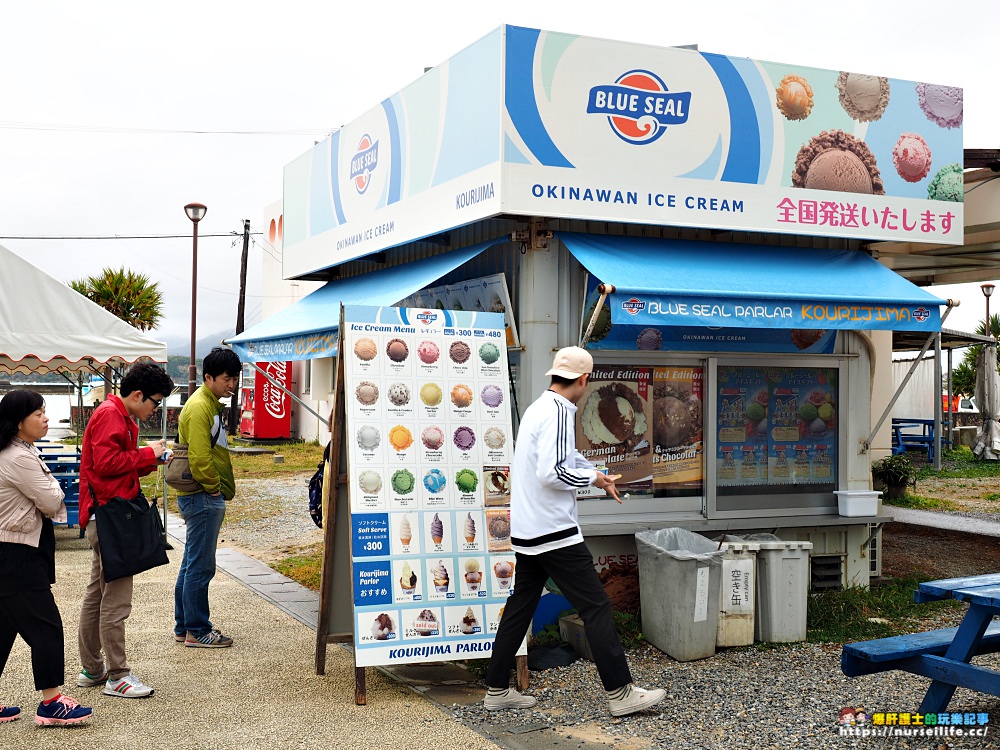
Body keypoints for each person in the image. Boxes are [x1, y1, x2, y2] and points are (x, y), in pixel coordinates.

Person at [483, 347, 666, 717]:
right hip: (553, 531)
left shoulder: (540, 407)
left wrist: (596, 475)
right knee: (596, 606)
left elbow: (564, 459)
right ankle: (620, 692)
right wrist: (593, 479)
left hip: (528, 528)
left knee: (520, 607)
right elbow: (553, 472)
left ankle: (497, 690)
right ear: (584, 380)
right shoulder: (560, 412)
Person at [77, 363, 173, 699]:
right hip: (110, 517)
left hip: (102, 515)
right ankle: (117, 674)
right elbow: (106, 464)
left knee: (97, 593)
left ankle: (92, 667)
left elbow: (116, 464)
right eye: (155, 401)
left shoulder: (114, 413)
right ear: (137, 395)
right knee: (116, 599)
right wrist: (149, 453)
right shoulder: (111, 415)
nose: (156, 408)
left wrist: (152, 458)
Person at [0, 390, 93, 725]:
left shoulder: (19, 450)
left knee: (4, 627)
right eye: (38, 413)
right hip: (17, 553)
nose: (46, 418)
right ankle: (51, 702)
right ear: (18, 420)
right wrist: (51, 486)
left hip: (13, 549)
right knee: (47, 626)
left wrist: (48, 487)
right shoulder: (18, 457)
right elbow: (54, 502)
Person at [173, 347, 241, 648]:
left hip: (201, 495)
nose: (232, 385)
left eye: (235, 379)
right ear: (209, 377)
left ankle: (183, 625)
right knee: (201, 565)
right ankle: (197, 630)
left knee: (192, 562)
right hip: (202, 495)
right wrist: (213, 487)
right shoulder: (201, 406)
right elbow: (200, 457)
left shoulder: (208, 403)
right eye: (227, 379)